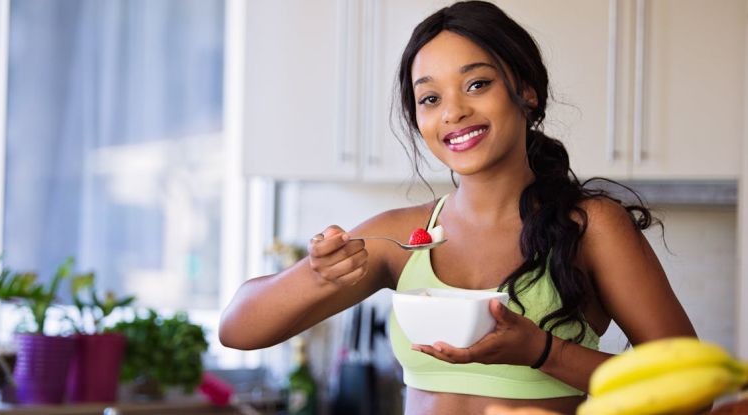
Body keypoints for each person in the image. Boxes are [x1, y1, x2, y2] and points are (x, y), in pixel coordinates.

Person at [219, 1, 696, 413]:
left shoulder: (589, 226)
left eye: (476, 85)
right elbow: (238, 329)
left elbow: (688, 393)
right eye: (430, 98)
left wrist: (541, 351)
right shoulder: (405, 236)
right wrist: (315, 275)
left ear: (526, 90)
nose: (453, 112)